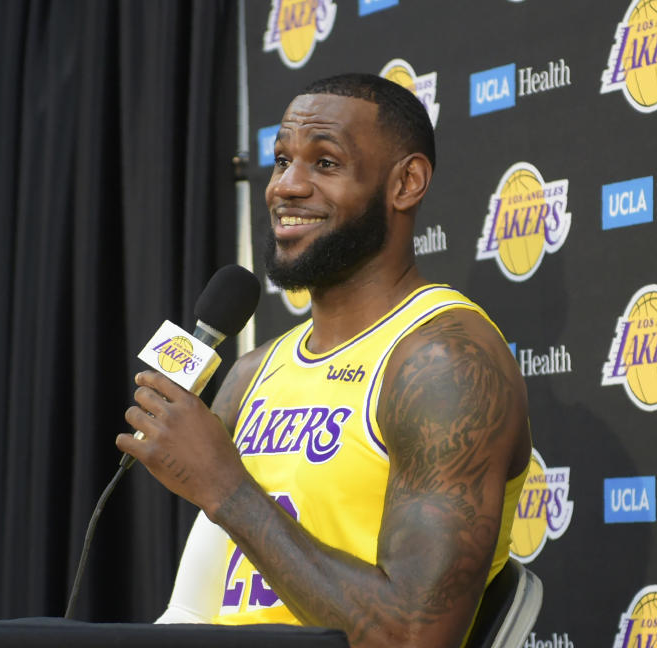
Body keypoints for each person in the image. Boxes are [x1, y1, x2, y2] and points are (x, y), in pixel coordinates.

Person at [118, 73, 532, 648]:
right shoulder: (252, 372)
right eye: (282, 160)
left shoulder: (442, 364)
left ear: (406, 183)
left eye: (326, 164)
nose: (287, 186)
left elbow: (412, 639)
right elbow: (191, 606)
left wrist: (226, 487)